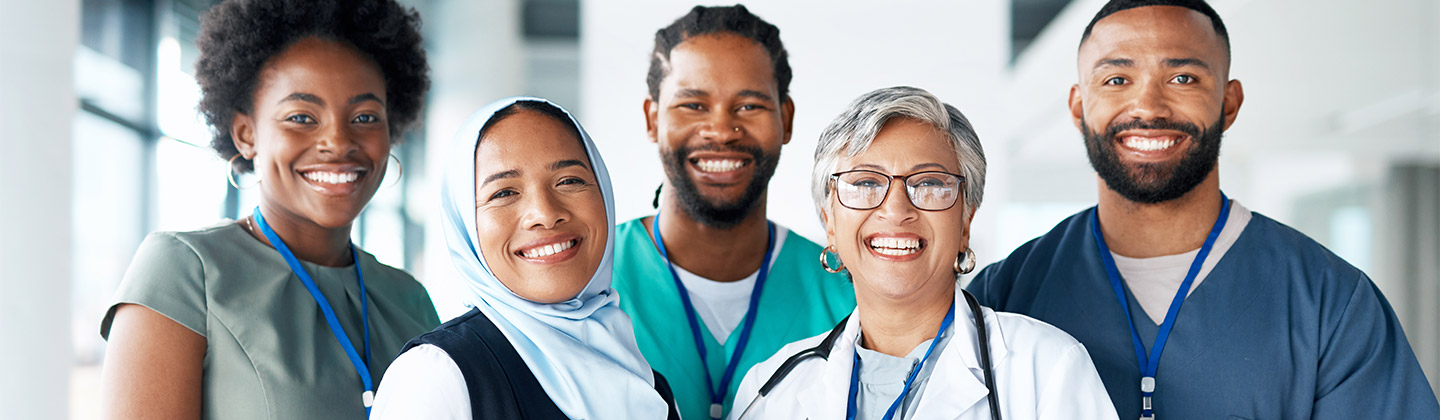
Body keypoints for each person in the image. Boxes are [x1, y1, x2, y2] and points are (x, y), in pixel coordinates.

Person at [965, 1, 1440, 418]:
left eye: (1183, 77)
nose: (1148, 105)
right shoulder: (1000, 297)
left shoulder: (1332, 303)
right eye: (1116, 78)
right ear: (1078, 105)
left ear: (1229, 103)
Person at [98, 0, 440, 418]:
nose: (338, 141)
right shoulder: (186, 273)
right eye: (301, 116)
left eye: (366, 116)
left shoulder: (410, 300)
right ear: (246, 135)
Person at [730, 86, 1117, 420]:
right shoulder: (770, 389)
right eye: (865, 182)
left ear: (965, 221)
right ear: (830, 222)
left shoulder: (1047, 368)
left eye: (929, 183)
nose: (896, 210)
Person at [613, 5, 857, 420]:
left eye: (749, 106)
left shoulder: (846, 291)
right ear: (653, 119)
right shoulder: (591, 283)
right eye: (693, 105)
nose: (722, 130)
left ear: (786, 118)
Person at [369, 97, 680, 420]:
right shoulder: (438, 375)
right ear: (465, 223)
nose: (545, 214)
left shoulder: (649, 384)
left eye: (569, 181)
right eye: (504, 193)